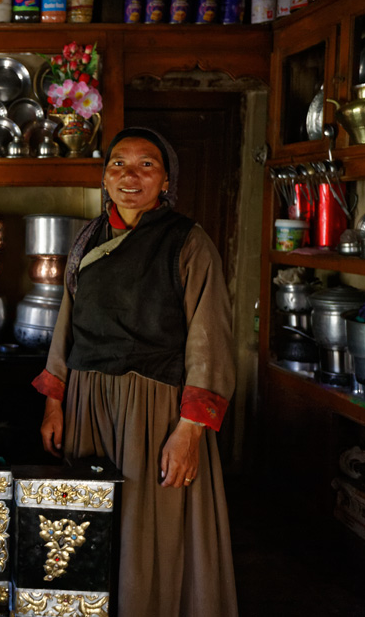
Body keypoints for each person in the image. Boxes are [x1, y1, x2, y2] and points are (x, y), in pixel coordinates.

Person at [35, 127, 238, 616]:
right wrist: (55, 402)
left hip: (156, 411)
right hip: (89, 406)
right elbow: (68, 325)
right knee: (92, 521)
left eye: (146, 165)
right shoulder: (87, 240)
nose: (130, 175)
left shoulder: (187, 241)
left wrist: (190, 430)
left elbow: (209, 339)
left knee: (151, 524)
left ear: (165, 178)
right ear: (105, 177)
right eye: (118, 164)